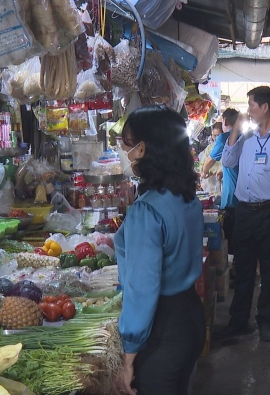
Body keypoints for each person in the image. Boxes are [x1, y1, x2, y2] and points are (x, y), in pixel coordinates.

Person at [112, 106, 206, 395]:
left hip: (160, 331)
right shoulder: (186, 197)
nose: (122, 148)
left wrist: (129, 355)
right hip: (190, 317)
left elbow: (142, 288)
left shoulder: (146, 210)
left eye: (126, 142)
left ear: (143, 149)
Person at [216, 86, 270, 342]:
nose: (248, 110)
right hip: (244, 212)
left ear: (265, 108)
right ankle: (239, 321)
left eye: (251, 105)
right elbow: (228, 161)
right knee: (243, 268)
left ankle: (265, 319)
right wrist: (235, 130)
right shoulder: (248, 140)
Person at [208, 110, 240, 258]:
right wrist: (223, 170)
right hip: (247, 200)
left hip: (231, 200)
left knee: (232, 241)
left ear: (225, 122)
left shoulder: (224, 138)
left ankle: (234, 271)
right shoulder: (248, 138)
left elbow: (207, 165)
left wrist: (203, 172)